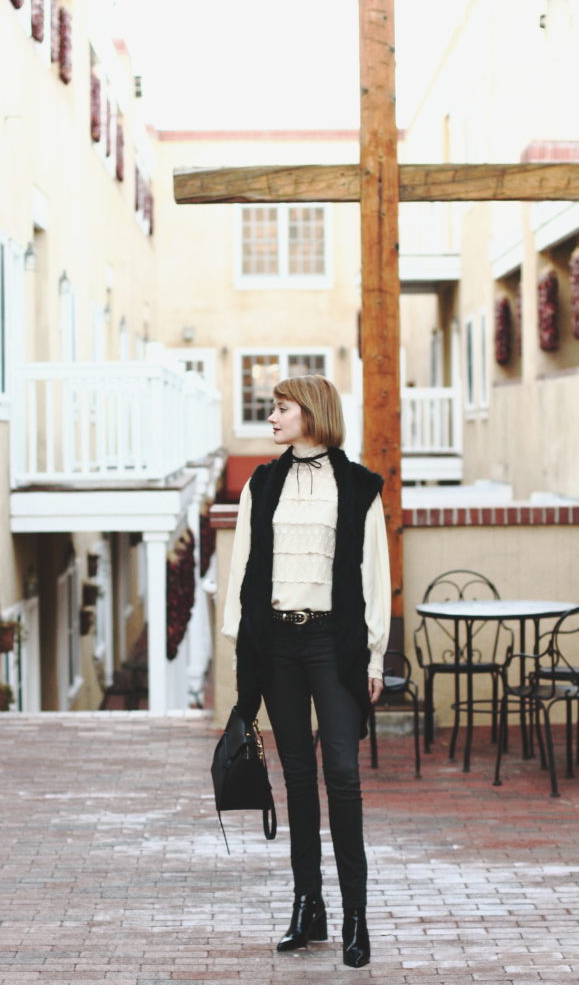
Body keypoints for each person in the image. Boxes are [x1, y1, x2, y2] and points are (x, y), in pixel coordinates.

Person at [222, 374, 390, 969]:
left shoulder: (359, 486)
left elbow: (374, 577)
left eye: (280, 408)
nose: (271, 418)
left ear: (311, 414)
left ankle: (355, 918)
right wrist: (242, 651)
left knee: (341, 775)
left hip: (332, 643)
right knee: (296, 777)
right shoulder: (261, 484)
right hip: (277, 645)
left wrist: (374, 656)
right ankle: (307, 906)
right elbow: (243, 569)